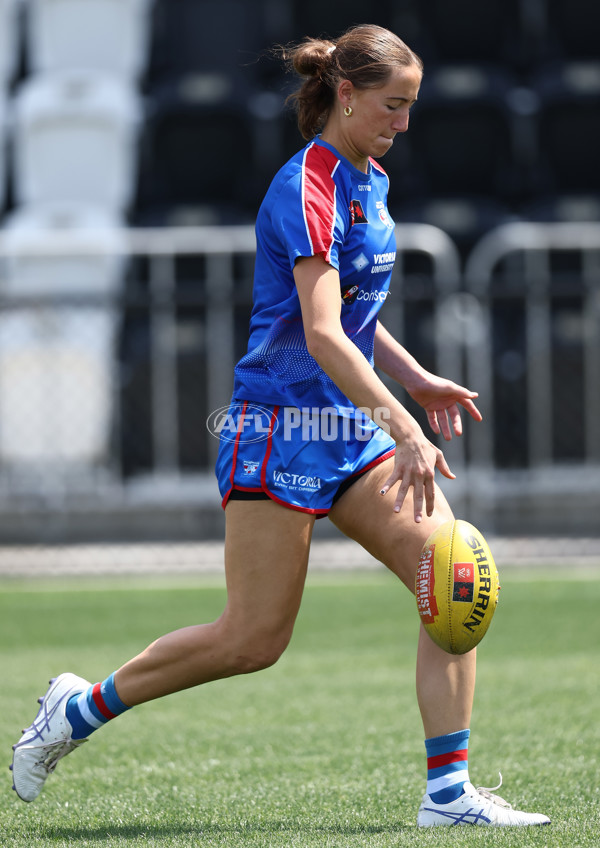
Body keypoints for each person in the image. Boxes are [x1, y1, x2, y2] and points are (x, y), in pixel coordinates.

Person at [11, 24, 549, 827]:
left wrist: (414, 376)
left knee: (454, 577)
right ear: (345, 93)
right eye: (391, 106)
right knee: (251, 641)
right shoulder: (308, 185)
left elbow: (354, 314)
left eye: (411, 108)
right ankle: (78, 709)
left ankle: (449, 794)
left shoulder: (370, 176)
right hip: (279, 427)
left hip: (350, 426)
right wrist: (403, 422)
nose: (404, 123)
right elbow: (321, 331)